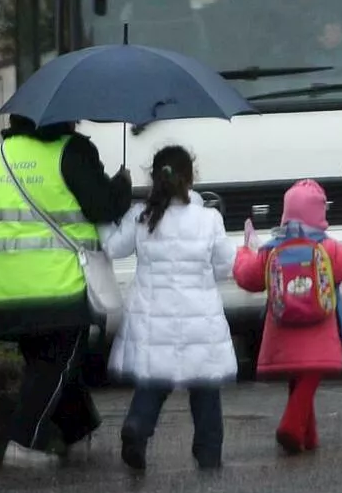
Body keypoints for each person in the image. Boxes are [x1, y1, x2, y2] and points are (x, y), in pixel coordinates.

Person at [0, 115, 132, 468]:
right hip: (55, 285)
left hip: (0, 287)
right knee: (56, 363)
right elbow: (102, 207)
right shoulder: (71, 151)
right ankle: (22, 445)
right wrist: (122, 184)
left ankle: (80, 433)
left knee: (49, 363)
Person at [97, 146, 237, 471]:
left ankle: (137, 426)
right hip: (200, 317)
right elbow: (224, 265)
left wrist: (105, 214)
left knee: (154, 379)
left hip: (152, 317)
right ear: (191, 178)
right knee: (204, 386)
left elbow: (114, 248)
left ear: (154, 176)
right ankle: (208, 452)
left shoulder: (141, 216)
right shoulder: (209, 218)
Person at [232, 179, 342, 454]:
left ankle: (307, 435)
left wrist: (243, 253)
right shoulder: (327, 248)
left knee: (297, 373)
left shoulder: (271, 249)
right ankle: (292, 426)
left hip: (281, 326)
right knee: (310, 373)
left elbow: (248, 278)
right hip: (320, 327)